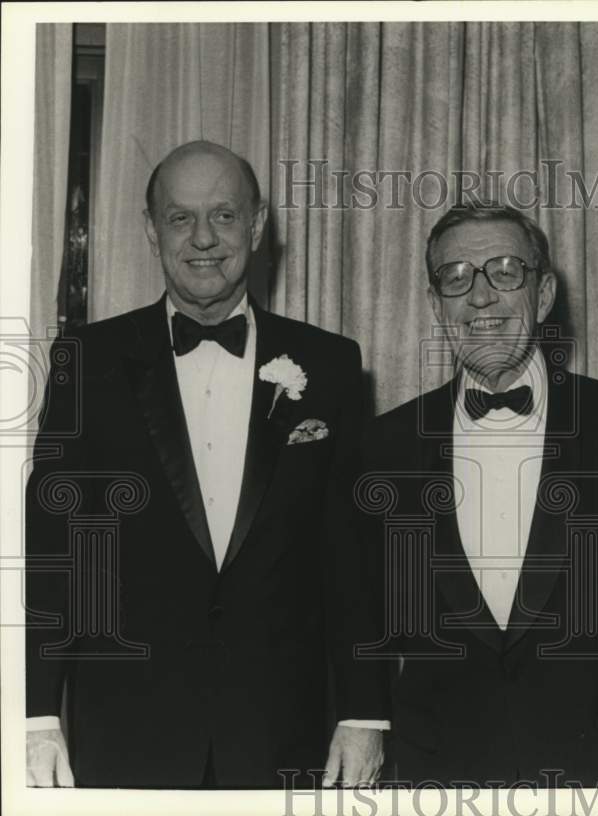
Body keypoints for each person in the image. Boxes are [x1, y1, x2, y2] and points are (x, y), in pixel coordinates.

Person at [25, 141, 388, 788]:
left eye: (223, 215)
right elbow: (57, 549)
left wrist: (366, 714)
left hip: (283, 728)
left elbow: (353, 554)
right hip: (126, 726)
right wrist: (35, 714)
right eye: (179, 217)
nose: (202, 238)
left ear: (256, 225)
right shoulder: (88, 360)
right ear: (150, 228)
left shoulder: (330, 364)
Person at [357, 202, 598, 786]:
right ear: (435, 304)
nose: (481, 297)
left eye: (505, 271)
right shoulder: (385, 445)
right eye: (456, 277)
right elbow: (358, 611)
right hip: (441, 777)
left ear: (545, 292)